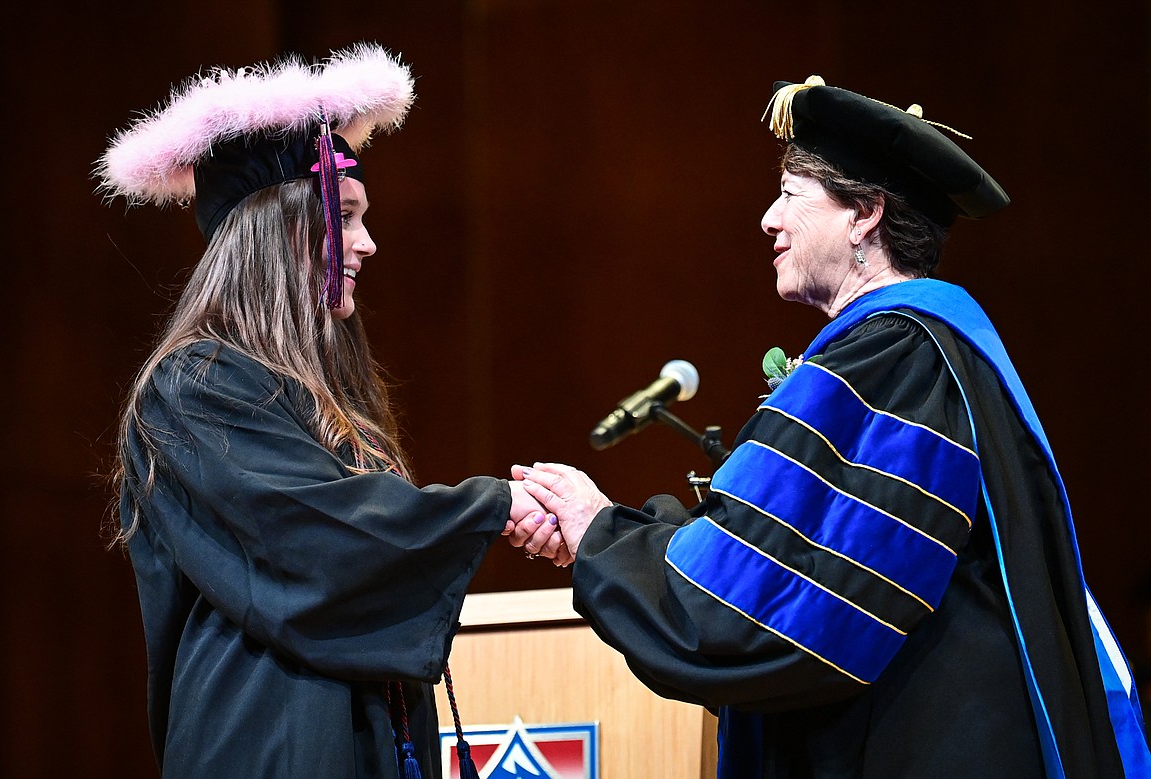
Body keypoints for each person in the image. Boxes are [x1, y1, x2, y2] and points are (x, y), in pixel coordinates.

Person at [510, 76, 1150, 777]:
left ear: (865, 214)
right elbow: (795, 565)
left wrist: (603, 536)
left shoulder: (892, 359)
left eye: (790, 194)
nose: (767, 219)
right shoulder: (924, 354)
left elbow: (758, 604)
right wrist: (613, 536)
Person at [97, 44, 566, 778]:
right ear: (280, 228)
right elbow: (321, 538)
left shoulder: (323, 393)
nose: (368, 242)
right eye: (344, 216)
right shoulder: (191, 389)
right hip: (266, 743)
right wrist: (495, 506)